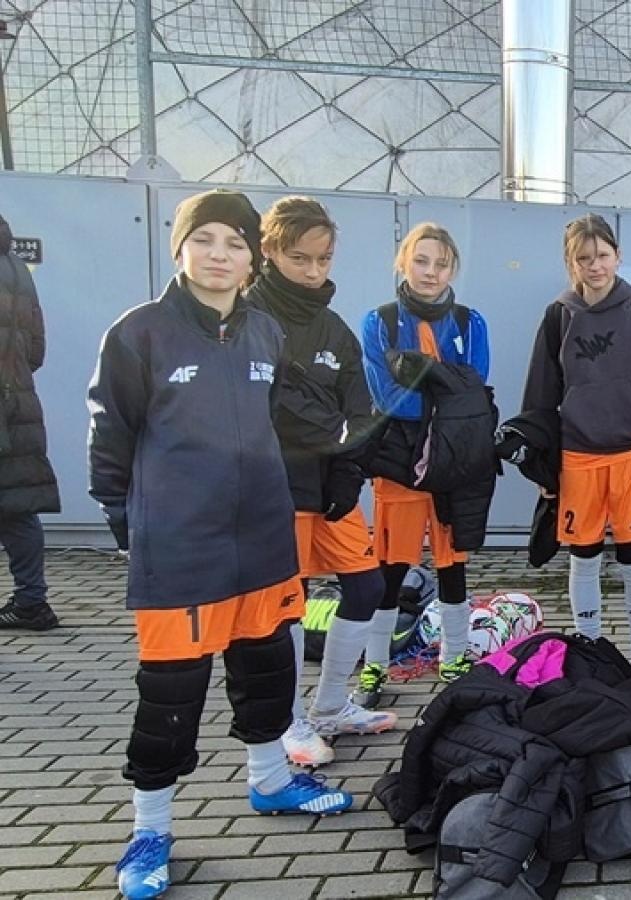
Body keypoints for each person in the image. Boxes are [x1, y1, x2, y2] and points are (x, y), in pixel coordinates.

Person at [89, 189, 354, 900]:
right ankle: (150, 831)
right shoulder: (139, 333)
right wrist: (125, 521)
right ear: (179, 249)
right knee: (171, 694)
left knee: (267, 670)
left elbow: (286, 423)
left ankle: (270, 782)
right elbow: (110, 435)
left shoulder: (265, 332)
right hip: (181, 549)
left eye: (234, 243)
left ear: (249, 258)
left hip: (264, 538)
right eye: (204, 239)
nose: (219, 255)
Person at [246, 196, 396, 766]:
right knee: (289, 602)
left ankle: (333, 705)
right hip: (274, 488)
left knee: (366, 587)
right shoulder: (247, 320)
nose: (313, 272)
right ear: (270, 251)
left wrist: (348, 469)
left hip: (331, 490)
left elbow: (362, 412)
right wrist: (335, 434)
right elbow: (267, 405)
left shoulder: (335, 329)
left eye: (324, 260)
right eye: (299, 259)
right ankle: (289, 721)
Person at [509, 213, 631, 670]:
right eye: (584, 258)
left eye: (602, 255)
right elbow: (539, 398)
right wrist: (542, 468)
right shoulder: (557, 316)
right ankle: (588, 646)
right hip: (578, 457)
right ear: (571, 263)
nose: (595, 265)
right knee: (584, 555)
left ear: (617, 255)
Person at [359, 222, 490, 698]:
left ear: (453, 267)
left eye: (441, 263)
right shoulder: (380, 321)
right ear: (403, 262)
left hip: (455, 461)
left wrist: (432, 384)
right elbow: (391, 398)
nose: (431, 272)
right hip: (399, 463)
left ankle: (453, 660)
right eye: (421, 260)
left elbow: (473, 389)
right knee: (390, 569)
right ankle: (374, 667)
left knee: (453, 564)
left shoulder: (470, 322)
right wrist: (444, 387)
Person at [0, 212, 61, 631]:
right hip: (18, 402)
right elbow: (36, 348)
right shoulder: (16, 265)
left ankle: (31, 603)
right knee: (16, 509)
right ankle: (31, 600)